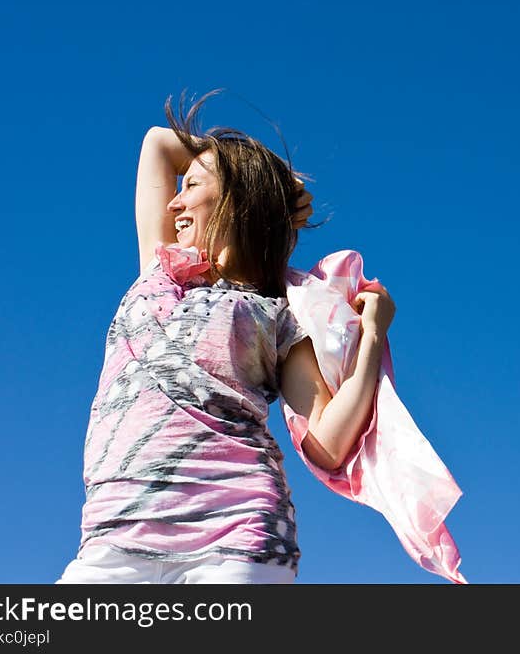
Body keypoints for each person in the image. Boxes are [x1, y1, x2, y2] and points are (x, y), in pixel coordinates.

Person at [56, 89, 395, 584]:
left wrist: (371, 334)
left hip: (238, 535)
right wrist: (265, 174)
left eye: (191, 185)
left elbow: (327, 444)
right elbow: (157, 144)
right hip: (115, 532)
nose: (173, 201)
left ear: (235, 197)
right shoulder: (160, 269)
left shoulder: (279, 314)